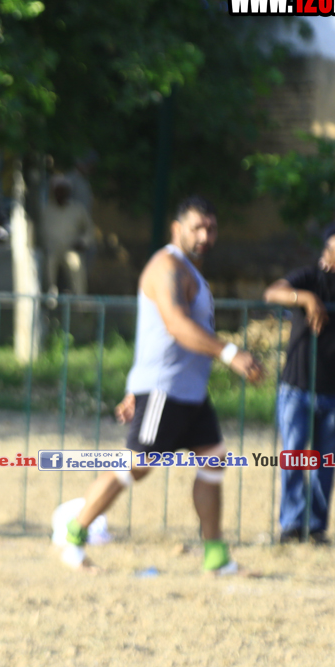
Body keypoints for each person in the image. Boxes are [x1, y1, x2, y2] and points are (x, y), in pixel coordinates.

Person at [50, 196, 264, 572]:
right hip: (164, 390)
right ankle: (73, 534)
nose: (205, 236)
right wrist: (230, 353)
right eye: (197, 228)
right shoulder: (167, 266)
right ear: (177, 229)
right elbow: (175, 325)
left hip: (189, 392)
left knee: (213, 460)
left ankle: (216, 558)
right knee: (136, 465)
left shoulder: (189, 271)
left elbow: (153, 336)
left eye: (211, 229)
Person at [263, 220, 335, 544]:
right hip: (296, 386)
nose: (330, 255)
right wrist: (305, 298)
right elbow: (272, 293)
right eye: (329, 247)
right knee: (294, 457)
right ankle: (291, 525)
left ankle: (315, 528)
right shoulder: (310, 276)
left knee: (325, 465)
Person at [38, 174, 94, 296]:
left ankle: (79, 300)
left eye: (63, 191)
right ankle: (50, 298)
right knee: (49, 265)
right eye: (58, 191)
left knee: (75, 265)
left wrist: (83, 242)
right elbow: (40, 232)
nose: (60, 194)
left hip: (71, 248)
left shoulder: (77, 209)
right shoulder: (46, 210)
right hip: (51, 249)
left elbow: (89, 230)